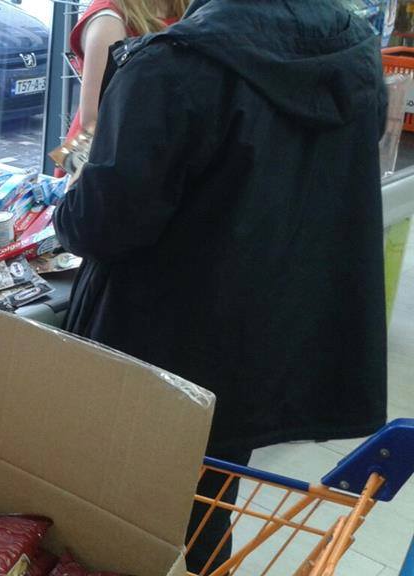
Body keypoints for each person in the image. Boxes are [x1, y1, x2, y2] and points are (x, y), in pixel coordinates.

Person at [53, 0, 387, 572]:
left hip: (155, 355)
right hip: (260, 339)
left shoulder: (174, 65)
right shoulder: (352, 49)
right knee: (209, 504)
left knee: (112, 520)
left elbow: (101, 224)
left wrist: (70, 201)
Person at [60, 0, 188, 174]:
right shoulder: (108, 20)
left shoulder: (186, 7)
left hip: (152, 154)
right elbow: (93, 122)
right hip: (107, 160)